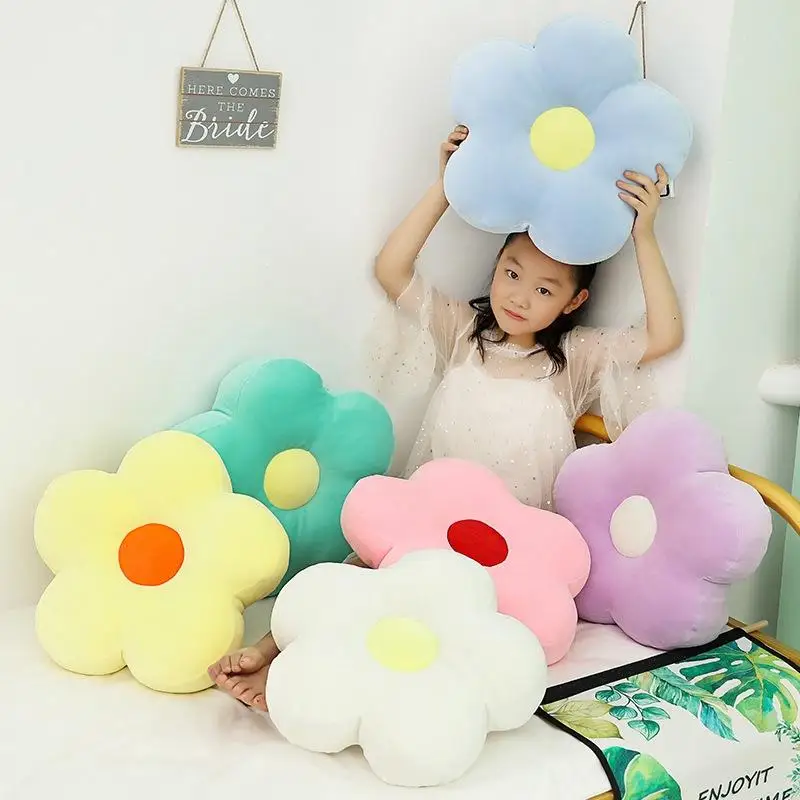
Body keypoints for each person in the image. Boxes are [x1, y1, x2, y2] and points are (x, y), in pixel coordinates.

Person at [208, 125, 684, 710]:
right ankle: (270, 649)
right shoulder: (462, 333)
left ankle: (304, 677)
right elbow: (392, 269)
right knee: (359, 575)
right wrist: (445, 185)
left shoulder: (576, 360)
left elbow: (664, 335)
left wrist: (644, 234)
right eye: (512, 273)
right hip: (429, 523)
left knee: (430, 628)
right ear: (497, 265)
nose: (519, 297)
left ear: (573, 302)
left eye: (544, 290)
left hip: (504, 553)